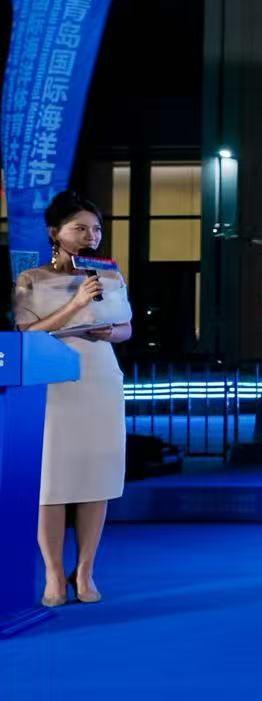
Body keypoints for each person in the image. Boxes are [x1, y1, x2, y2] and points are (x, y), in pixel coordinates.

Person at [13, 191, 132, 606]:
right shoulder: (30, 279)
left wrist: (110, 331)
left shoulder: (110, 275)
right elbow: (27, 332)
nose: (90, 236)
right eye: (80, 228)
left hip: (99, 377)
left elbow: (126, 328)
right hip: (52, 382)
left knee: (96, 477)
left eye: (96, 229)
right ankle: (51, 573)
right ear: (55, 232)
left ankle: (84, 571)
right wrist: (77, 303)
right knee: (51, 481)